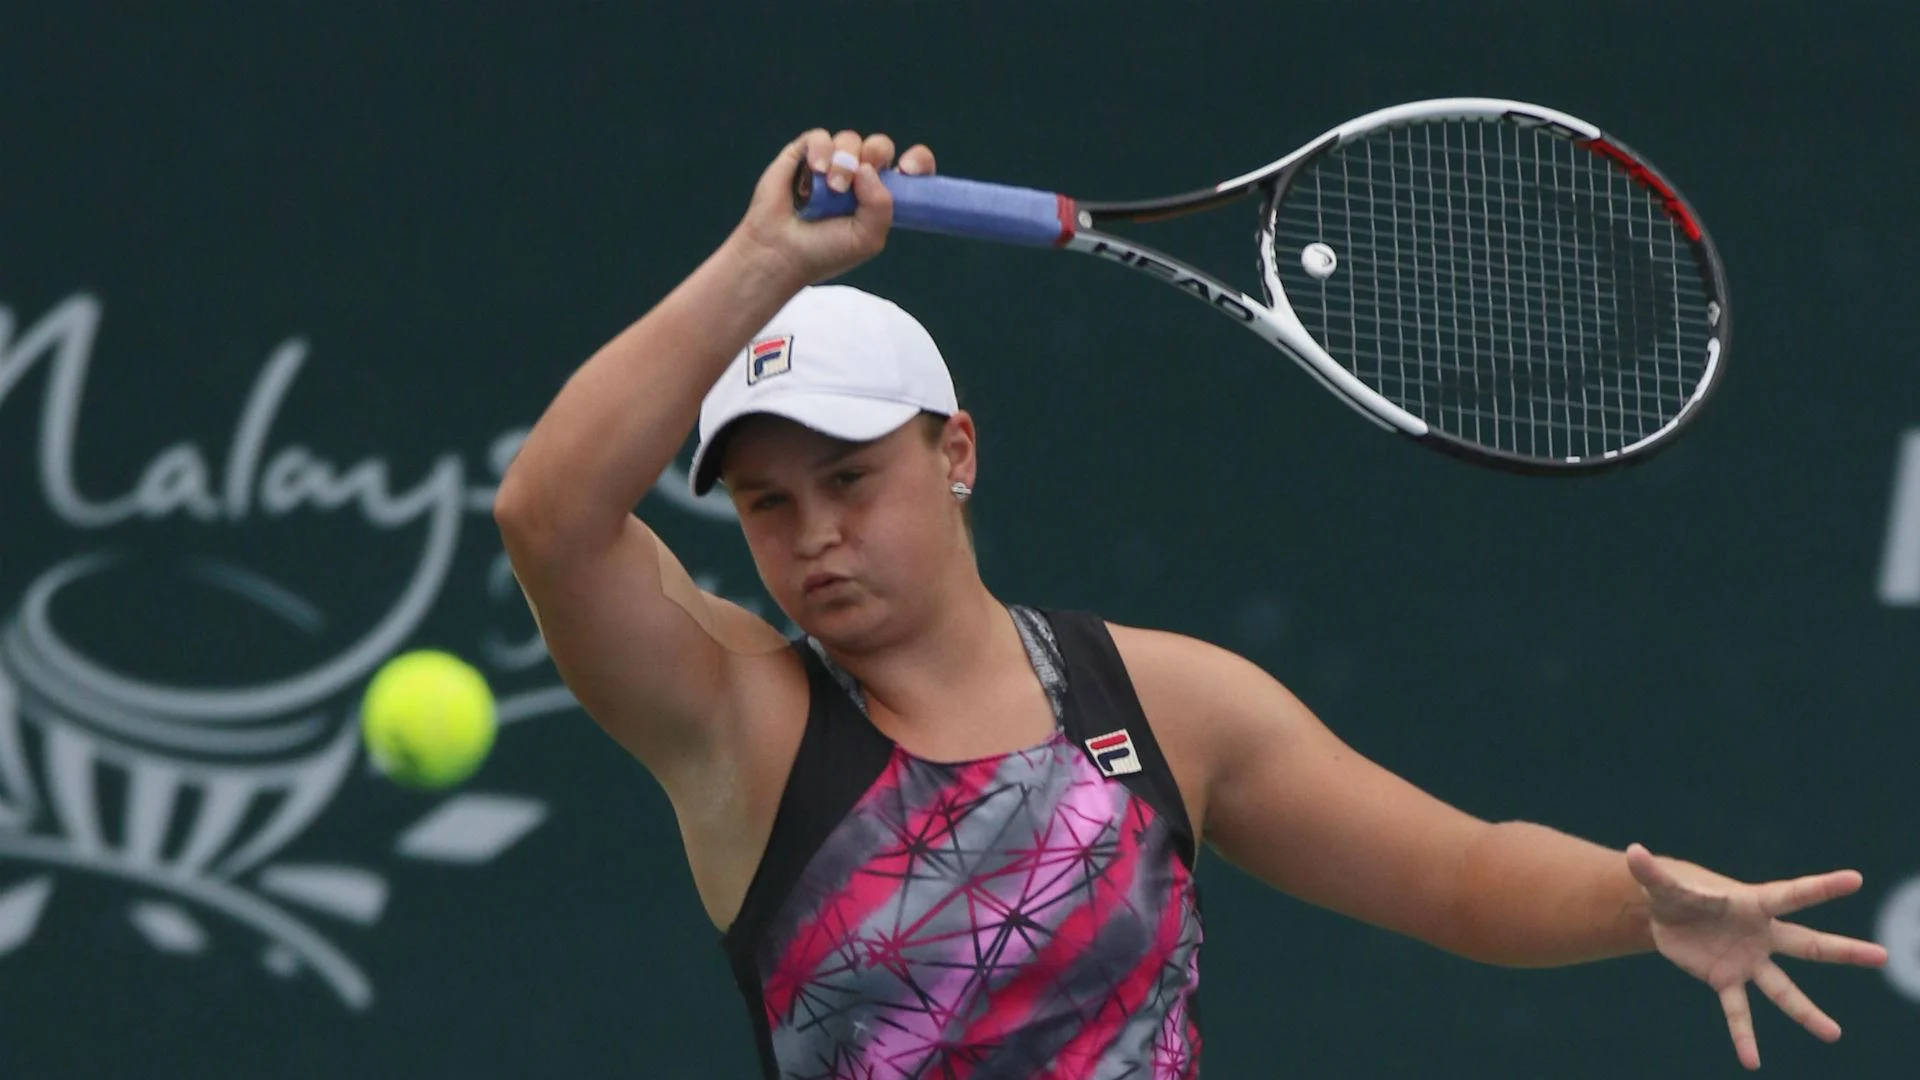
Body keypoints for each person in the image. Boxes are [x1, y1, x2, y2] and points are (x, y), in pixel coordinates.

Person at [493, 129, 1887, 1078]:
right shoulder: (738, 721)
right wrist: (766, 262)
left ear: (955, 452)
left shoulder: (1167, 701)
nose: (815, 536)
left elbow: (1458, 877)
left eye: (850, 478)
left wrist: (1639, 907)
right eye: (767, 505)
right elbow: (549, 519)